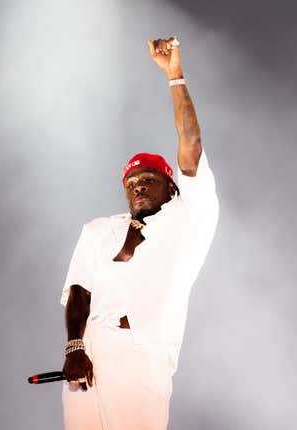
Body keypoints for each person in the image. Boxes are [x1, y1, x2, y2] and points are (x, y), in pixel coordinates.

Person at [59, 35, 219, 430]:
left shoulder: (188, 218)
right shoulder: (100, 230)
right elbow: (80, 290)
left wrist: (175, 76)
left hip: (141, 354)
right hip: (89, 353)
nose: (138, 186)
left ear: (173, 186)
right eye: (131, 182)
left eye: (148, 179)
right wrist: (75, 346)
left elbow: (192, 143)